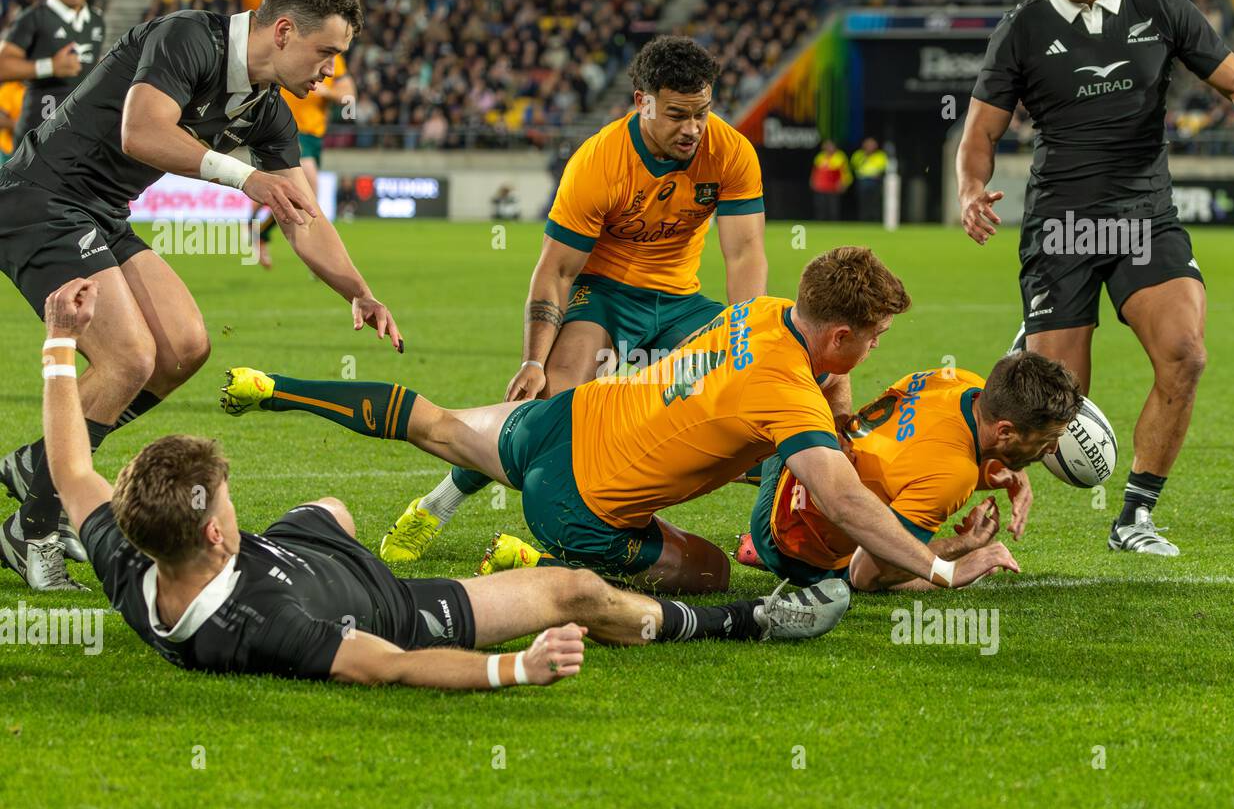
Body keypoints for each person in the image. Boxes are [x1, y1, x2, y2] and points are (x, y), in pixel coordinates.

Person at [37, 282, 850, 695]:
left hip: (299, 550)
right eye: (224, 494)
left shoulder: (130, 554)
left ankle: (403, 510)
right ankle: (748, 622)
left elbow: (74, 471)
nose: (228, 494)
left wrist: (59, 342)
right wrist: (513, 672)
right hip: (390, 601)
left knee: (331, 506)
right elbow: (388, 666)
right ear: (214, 532)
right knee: (573, 589)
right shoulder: (266, 625)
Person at [220, 247, 1021, 598]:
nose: (878, 348)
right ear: (840, 335)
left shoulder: (765, 314)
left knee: (429, 424)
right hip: (587, 504)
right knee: (710, 572)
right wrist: (943, 566)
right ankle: (537, 559)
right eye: (874, 337)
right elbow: (842, 502)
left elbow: (734, 427)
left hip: (566, 419)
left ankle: (271, 383)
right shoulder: (790, 395)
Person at [0, 0, 402, 591]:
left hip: (102, 211)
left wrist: (359, 289)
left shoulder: (268, 113)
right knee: (129, 357)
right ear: (286, 31)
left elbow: (305, 218)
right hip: (42, 198)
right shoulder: (189, 36)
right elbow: (141, 130)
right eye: (327, 53)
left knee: (186, 346)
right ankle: (35, 523)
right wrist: (245, 178)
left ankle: (38, 466)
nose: (331, 72)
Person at [956, 0, 1234, 556]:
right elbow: (980, 131)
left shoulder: (1157, 7)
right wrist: (972, 188)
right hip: (1063, 226)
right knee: (1051, 407)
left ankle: (1135, 516)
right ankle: (951, 490)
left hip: (1146, 215)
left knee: (1185, 354)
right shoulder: (1023, 28)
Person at [382, 34, 767, 562]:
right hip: (604, 295)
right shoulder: (598, 162)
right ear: (643, 102)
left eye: (702, 112)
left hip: (681, 301)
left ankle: (773, 533)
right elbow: (557, 271)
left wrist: (743, 339)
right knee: (551, 408)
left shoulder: (730, 150)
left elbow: (744, 253)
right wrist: (533, 360)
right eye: (678, 115)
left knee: (761, 397)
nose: (694, 129)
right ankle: (437, 504)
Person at [736, 353, 1081, 591]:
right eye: (1048, 440)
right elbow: (866, 574)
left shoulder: (960, 382)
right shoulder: (952, 476)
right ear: (1004, 432)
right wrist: (965, 549)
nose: (1051, 451)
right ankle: (761, 549)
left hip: (804, 458)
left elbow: (918, 455)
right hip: (789, 541)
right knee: (898, 576)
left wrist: (1004, 471)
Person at [253, 45, 356, 267]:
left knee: (291, 193)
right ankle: (318, 256)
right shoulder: (293, 50)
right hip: (287, 129)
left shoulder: (334, 62)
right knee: (308, 188)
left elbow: (350, 100)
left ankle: (257, 231)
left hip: (315, 136)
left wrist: (329, 93)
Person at [0, 0, 106, 144]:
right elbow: (3, 67)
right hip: (38, 132)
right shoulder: (32, 18)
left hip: (81, 132)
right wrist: (50, 66)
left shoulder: (97, 21)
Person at [850, 137, 888, 222]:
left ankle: (875, 220)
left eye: (872, 145)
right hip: (862, 181)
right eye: (868, 144)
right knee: (863, 202)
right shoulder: (858, 154)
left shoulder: (880, 155)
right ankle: (863, 220)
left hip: (875, 181)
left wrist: (878, 174)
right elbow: (854, 166)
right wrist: (865, 156)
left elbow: (883, 168)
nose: (870, 147)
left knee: (875, 202)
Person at [810, 140, 850, 221]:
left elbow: (845, 172)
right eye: (827, 146)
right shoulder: (820, 157)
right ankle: (820, 223)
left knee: (833, 207)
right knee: (820, 206)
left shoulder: (840, 157)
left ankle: (833, 224)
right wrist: (813, 181)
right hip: (821, 186)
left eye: (830, 146)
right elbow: (815, 171)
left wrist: (844, 183)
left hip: (834, 187)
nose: (828, 148)